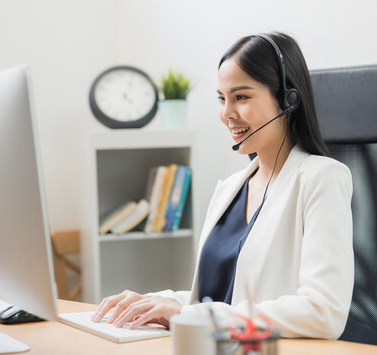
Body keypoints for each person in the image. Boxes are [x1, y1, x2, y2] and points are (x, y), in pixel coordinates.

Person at [92, 32, 354, 339]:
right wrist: (158, 302)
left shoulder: (321, 178)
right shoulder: (230, 189)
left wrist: (190, 314)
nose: (226, 114)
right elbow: (215, 300)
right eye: (221, 98)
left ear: (288, 99)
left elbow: (324, 311)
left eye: (241, 97)